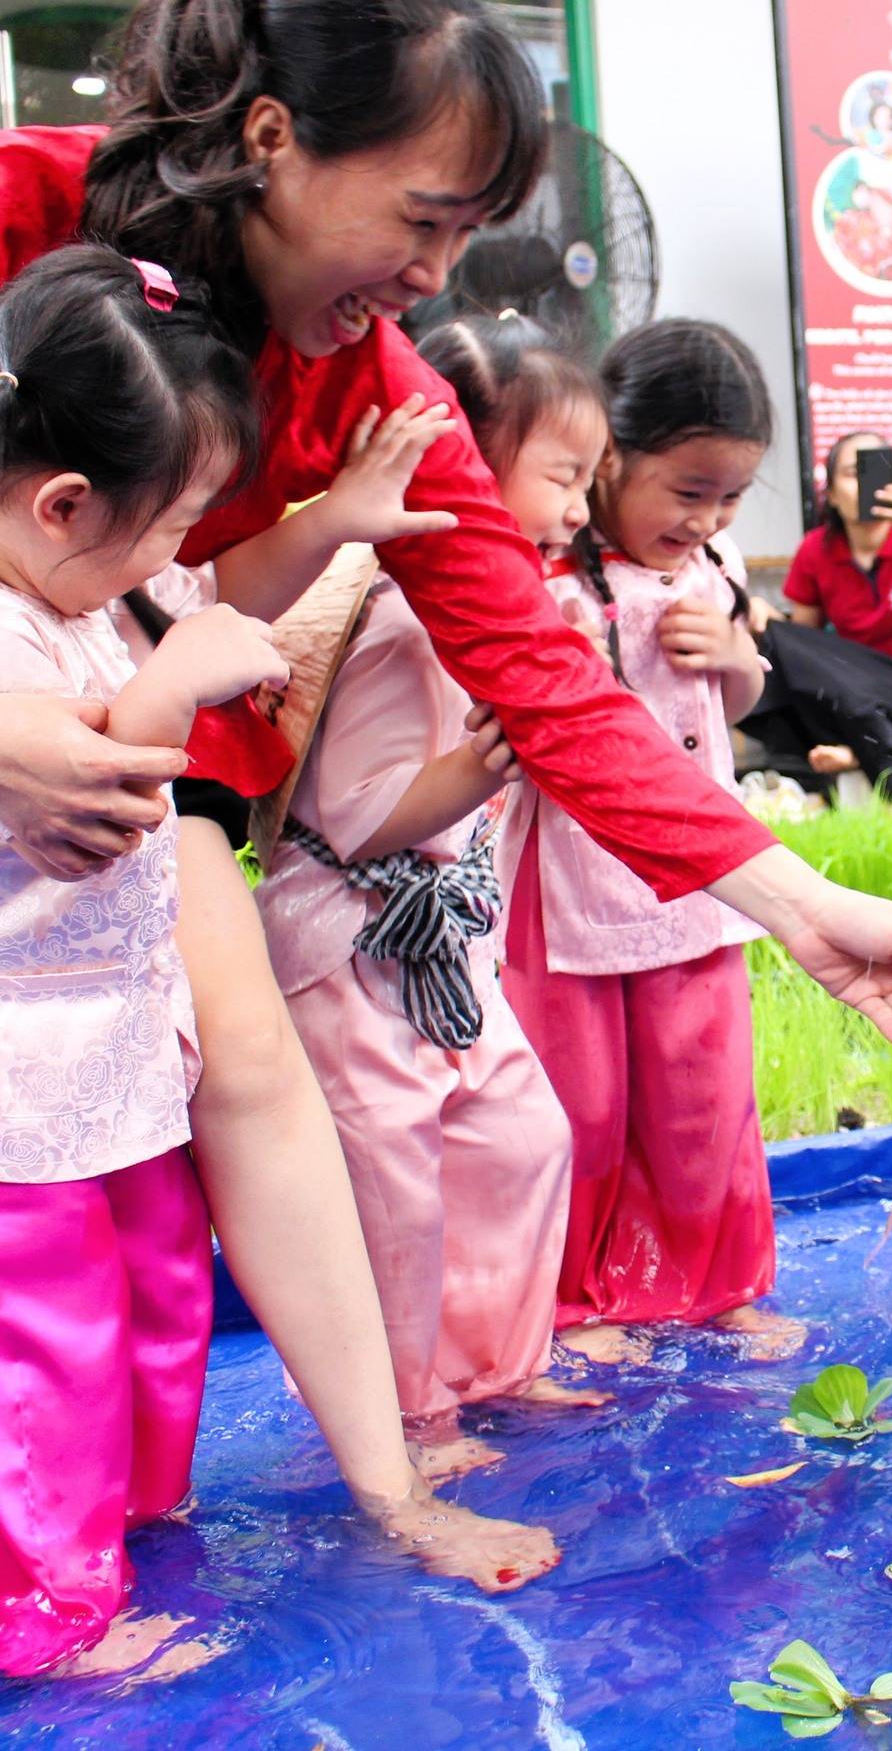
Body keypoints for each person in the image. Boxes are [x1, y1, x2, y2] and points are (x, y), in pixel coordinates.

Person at [0, 0, 892, 1645]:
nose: (438, 274)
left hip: (113, 720)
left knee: (236, 1073)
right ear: (271, 140)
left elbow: (541, 673)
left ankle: (381, 1477)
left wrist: (786, 898)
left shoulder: (372, 376)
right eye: (424, 217)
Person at [0, 247, 291, 1673]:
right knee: (42, 1326)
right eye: (174, 523)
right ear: (66, 502)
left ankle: (126, 1527)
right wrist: (174, 678)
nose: (178, 559)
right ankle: (41, 1617)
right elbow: (75, 821)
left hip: (91, 1020)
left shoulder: (69, 583)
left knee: (158, 1276)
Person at [253, 309, 607, 1477]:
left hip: (439, 942)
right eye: (563, 475)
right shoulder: (401, 615)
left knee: (521, 1133)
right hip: (352, 938)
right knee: (392, 1177)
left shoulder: (509, 618)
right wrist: (484, 764)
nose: (581, 508)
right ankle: (410, 1407)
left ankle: (500, 1358)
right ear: (465, 455)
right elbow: (351, 816)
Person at [502, 319, 796, 1365]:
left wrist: (733, 654)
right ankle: (577, 1296)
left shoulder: (712, 571)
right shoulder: (549, 584)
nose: (707, 517)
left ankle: (716, 1285)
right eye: (687, 491)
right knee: (578, 1101)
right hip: (571, 883)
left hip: (701, 880)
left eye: (727, 497)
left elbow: (741, 695)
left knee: (702, 1095)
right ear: (610, 459)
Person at [742, 431, 892, 796]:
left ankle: (865, 748)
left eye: (881, 474)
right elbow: (804, 650)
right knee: (772, 651)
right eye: (854, 474)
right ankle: (876, 748)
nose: (868, 485)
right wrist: (767, 621)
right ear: (833, 494)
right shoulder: (816, 550)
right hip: (855, 688)